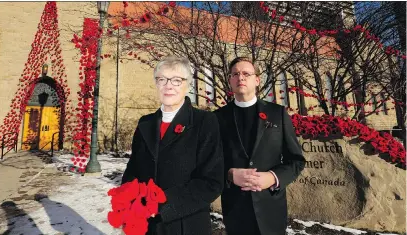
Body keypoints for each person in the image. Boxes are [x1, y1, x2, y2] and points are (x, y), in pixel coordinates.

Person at [121, 56, 224, 235]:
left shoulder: (204, 122)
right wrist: (129, 202)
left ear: (188, 85)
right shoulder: (145, 123)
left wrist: (161, 204)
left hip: (185, 224)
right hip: (145, 224)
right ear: (156, 84)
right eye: (162, 79)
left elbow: (211, 181)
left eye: (176, 80)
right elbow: (133, 170)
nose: (168, 86)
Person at [214, 57, 306, 235]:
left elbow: (296, 160)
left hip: (271, 208)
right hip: (235, 210)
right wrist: (230, 174)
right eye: (235, 74)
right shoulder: (217, 118)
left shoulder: (277, 114)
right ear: (230, 80)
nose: (240, 77)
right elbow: (210, 163)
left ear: (256, 80)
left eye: (246, 73)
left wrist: (272, 178)